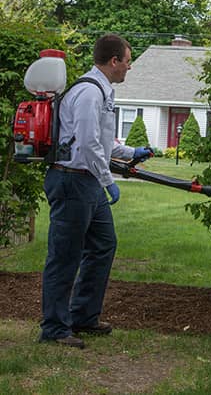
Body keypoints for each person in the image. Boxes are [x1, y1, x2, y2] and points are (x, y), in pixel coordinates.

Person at [39, 34, 152, 349]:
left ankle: (83, 316)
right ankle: (54, 329)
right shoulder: (89, 92)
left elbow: (101, 139)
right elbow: (88, 144)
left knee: (103, 245)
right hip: (73, 180)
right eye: (127, 61)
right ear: (114, 61)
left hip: (86, 181)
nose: (129, 67)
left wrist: (131, 152)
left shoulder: (102, 91)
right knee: (64, 256)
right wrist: (108, 180)